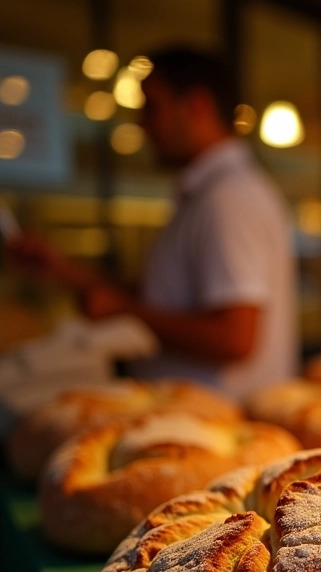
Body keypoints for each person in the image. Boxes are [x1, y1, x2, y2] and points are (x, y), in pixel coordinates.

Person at [5, 46, 297, 401]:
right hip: (201, 420)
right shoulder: (215, 193)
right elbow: (165, 299)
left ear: (198, 106)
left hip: (214, 424)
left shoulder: (228, 198)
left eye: (151, 106)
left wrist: (122, 310)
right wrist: (63, 271)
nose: (140, 123)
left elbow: (234, 339)